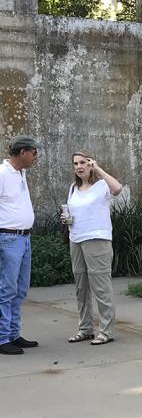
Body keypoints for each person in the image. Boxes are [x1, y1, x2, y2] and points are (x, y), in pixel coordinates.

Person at [64, 151, 122, 346]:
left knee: (101, 286)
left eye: (83, 162)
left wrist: (98, 169)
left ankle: (106, 330)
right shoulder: (73, 188)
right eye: (75, 163)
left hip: (97, 239)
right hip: (76, 239)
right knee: (81, 287)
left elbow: (117, 188)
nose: (79, 166)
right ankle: (85, 328)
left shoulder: (102, 185)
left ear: (90, 164)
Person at [0, 135, 41, 355]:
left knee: (20, 289)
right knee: (6, 290)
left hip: (23, 238)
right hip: (8, 238)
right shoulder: (2, 174)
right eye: (34, 152)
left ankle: (13, 334)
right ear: (23, 152)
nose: (36, 157)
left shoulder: (20, 172)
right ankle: (2, 337)